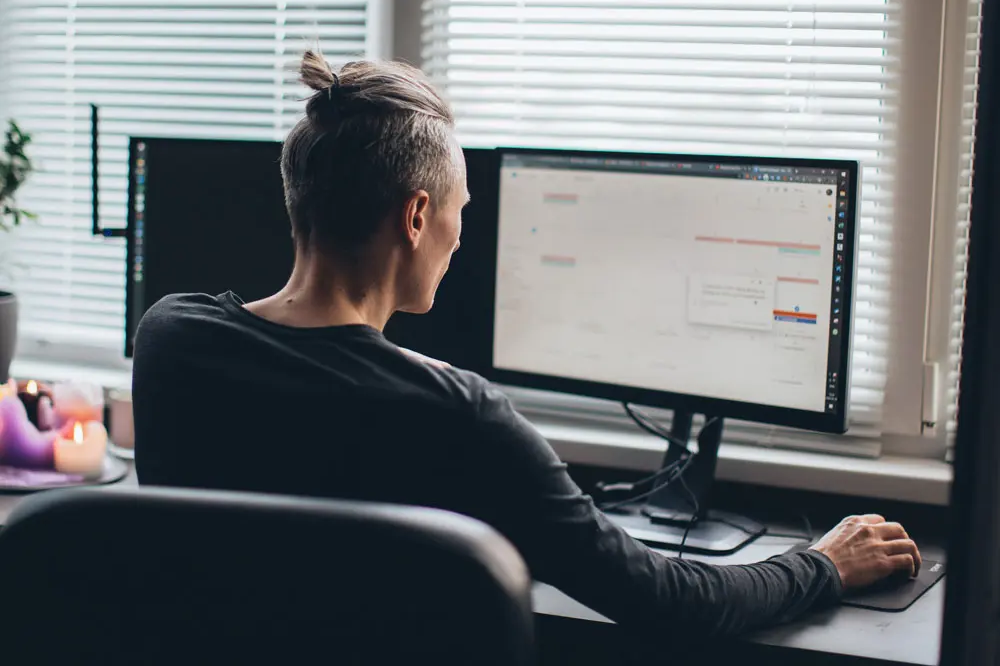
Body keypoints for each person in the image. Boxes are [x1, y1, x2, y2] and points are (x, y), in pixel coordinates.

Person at [132, 48, 922, 637]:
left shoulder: (172, 341)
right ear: (415, 218)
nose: (458, 235)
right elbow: (672, 602)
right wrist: (823, 563)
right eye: (458, 210)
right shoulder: (457, 416)